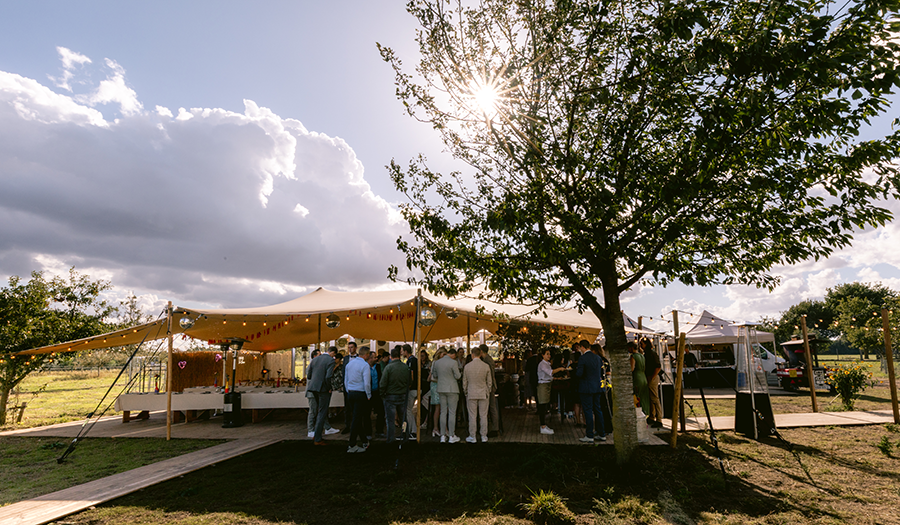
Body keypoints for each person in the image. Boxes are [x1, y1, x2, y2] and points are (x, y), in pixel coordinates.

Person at [306, 346, 339, 444]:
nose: (334, 357)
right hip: (323, 389)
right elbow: (328, 376)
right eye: (334, 355)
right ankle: (317, 438)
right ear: (333, 353)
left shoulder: (315, 359)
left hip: (313, 387)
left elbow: (309, 375)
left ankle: (316, 434)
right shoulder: (330, 361)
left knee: (318, 411)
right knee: (322, 412)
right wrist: (329, 388)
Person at [575, 339, 607, 442]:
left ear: (582, 347)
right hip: (597, 387)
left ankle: (589, 435)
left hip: (586, 387)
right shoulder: (598, 358)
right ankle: (602, 433)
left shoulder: (582, 358)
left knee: (588, 410)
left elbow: (579, 374)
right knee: (598, 410)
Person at [344, 346, 372, 453]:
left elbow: (346, 380)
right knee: (356, 419)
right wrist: (368, 395)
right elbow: (367, 382)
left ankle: (364, 440)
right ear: (366, 355)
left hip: (351, 393)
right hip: (360, 393)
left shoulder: (349, 364)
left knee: (357, 418)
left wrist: (348, 390)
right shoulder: (365, 365)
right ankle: (352, 444)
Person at [380, 346, 411, 443]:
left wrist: (382, 394)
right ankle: (405, 435)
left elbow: (383, 383)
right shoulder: (405, 367)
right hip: (403, 395)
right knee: (403, 419)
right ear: (400, 356)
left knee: (390, 420)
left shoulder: (388, 368)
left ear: (391, 356)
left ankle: (390, 439)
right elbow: (410, 381)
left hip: (390, 395)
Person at [463, 346, 493, 443]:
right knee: (483, 416)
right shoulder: (486, 366)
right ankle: (483, 435)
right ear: (480, 354)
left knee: (472, 416)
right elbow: (489, 382)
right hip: (483, 393)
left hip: (471, 393)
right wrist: (488, 391)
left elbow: (465, 382)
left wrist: (466, 391)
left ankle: (473, 436)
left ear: (472, 355)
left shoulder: (467, 367)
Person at [431, 347, 462, 442]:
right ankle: (451, 435)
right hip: (452, 389)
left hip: (441, 388)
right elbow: (458, 376)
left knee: (443, 412)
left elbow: (435, 375)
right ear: (453, 355)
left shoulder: (437, 363)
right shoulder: (453, 363)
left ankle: (443, 435)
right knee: (452, 412)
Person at [537, 348, 566, 435]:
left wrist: (556, 378)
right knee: (542, 405)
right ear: (542, 355)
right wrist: (560, 369)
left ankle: (544, 425)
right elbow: (550, 372)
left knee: (545, 405)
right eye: (547, 354)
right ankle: (542, 426)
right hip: (543, 385)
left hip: (547, 384)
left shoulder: (547, 364)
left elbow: (549, 376)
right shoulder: (542, 364)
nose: (549, 356)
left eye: (549, 354)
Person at [641, 338, 663, 428]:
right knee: (651, 398)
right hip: (649, 376)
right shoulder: (646, 354)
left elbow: (658, 367)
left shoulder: (652, 354)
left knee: (655, 398)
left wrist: (652, 378)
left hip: (652, 376)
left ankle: (659, 419)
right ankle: (652, 416)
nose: (640, 346)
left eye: (642, 344)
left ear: (646, 344)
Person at [479, 344, 500, 437]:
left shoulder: (487, 361)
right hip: (490, 386)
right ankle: (494, 427)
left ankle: (495, 428)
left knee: (492, 407)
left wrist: (489, 387)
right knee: (492, 407)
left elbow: (489, 375)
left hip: (489, 387)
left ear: (481, 351)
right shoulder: (488, 359)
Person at [401, 344, 419, 437]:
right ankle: (412, 429)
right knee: (410, 410)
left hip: (412, 389)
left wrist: (409, 385)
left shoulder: (410, 361)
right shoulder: (415, 360)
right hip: (417, 388)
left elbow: (411, 374)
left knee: (408, 410)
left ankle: (412, 430)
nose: (401, 353)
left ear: (406, 351)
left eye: (402, 351)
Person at [630, 341, 651, 419]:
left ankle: (640, 413)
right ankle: (645, 412)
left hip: (637, 377)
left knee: (637, 396)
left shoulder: (633, 356)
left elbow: (632, 368)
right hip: (643, 376)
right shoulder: (642, 356)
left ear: (631, 348)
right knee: (644, 396)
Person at [428, 348, 445, 437]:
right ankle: (436, 428)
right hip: (436, 385)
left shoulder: (436, 363)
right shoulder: (436, 363)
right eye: (443, 354)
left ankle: (438, 428)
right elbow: (435, 376)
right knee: (438, 407)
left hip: (437, 385)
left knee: (440, 408)